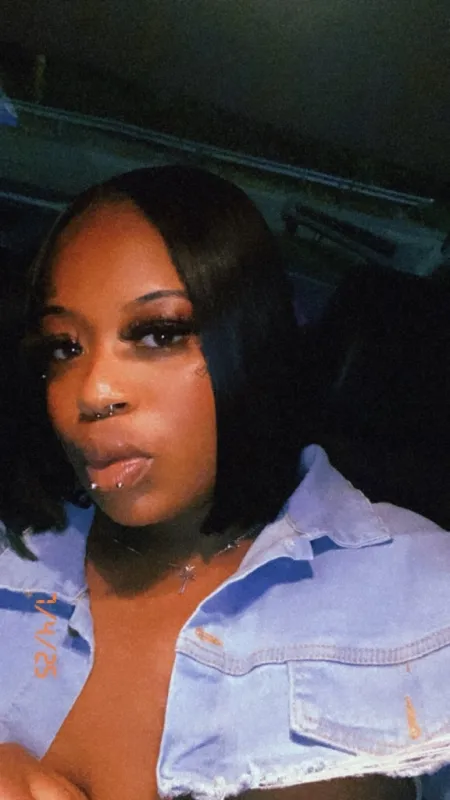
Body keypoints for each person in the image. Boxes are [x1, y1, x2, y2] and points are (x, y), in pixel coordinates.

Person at [0, 165, 449, 800]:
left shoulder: (422, 587)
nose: (93, 392)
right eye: (64, 348)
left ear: (249, 339)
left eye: (158, 334)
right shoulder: (14, 557)